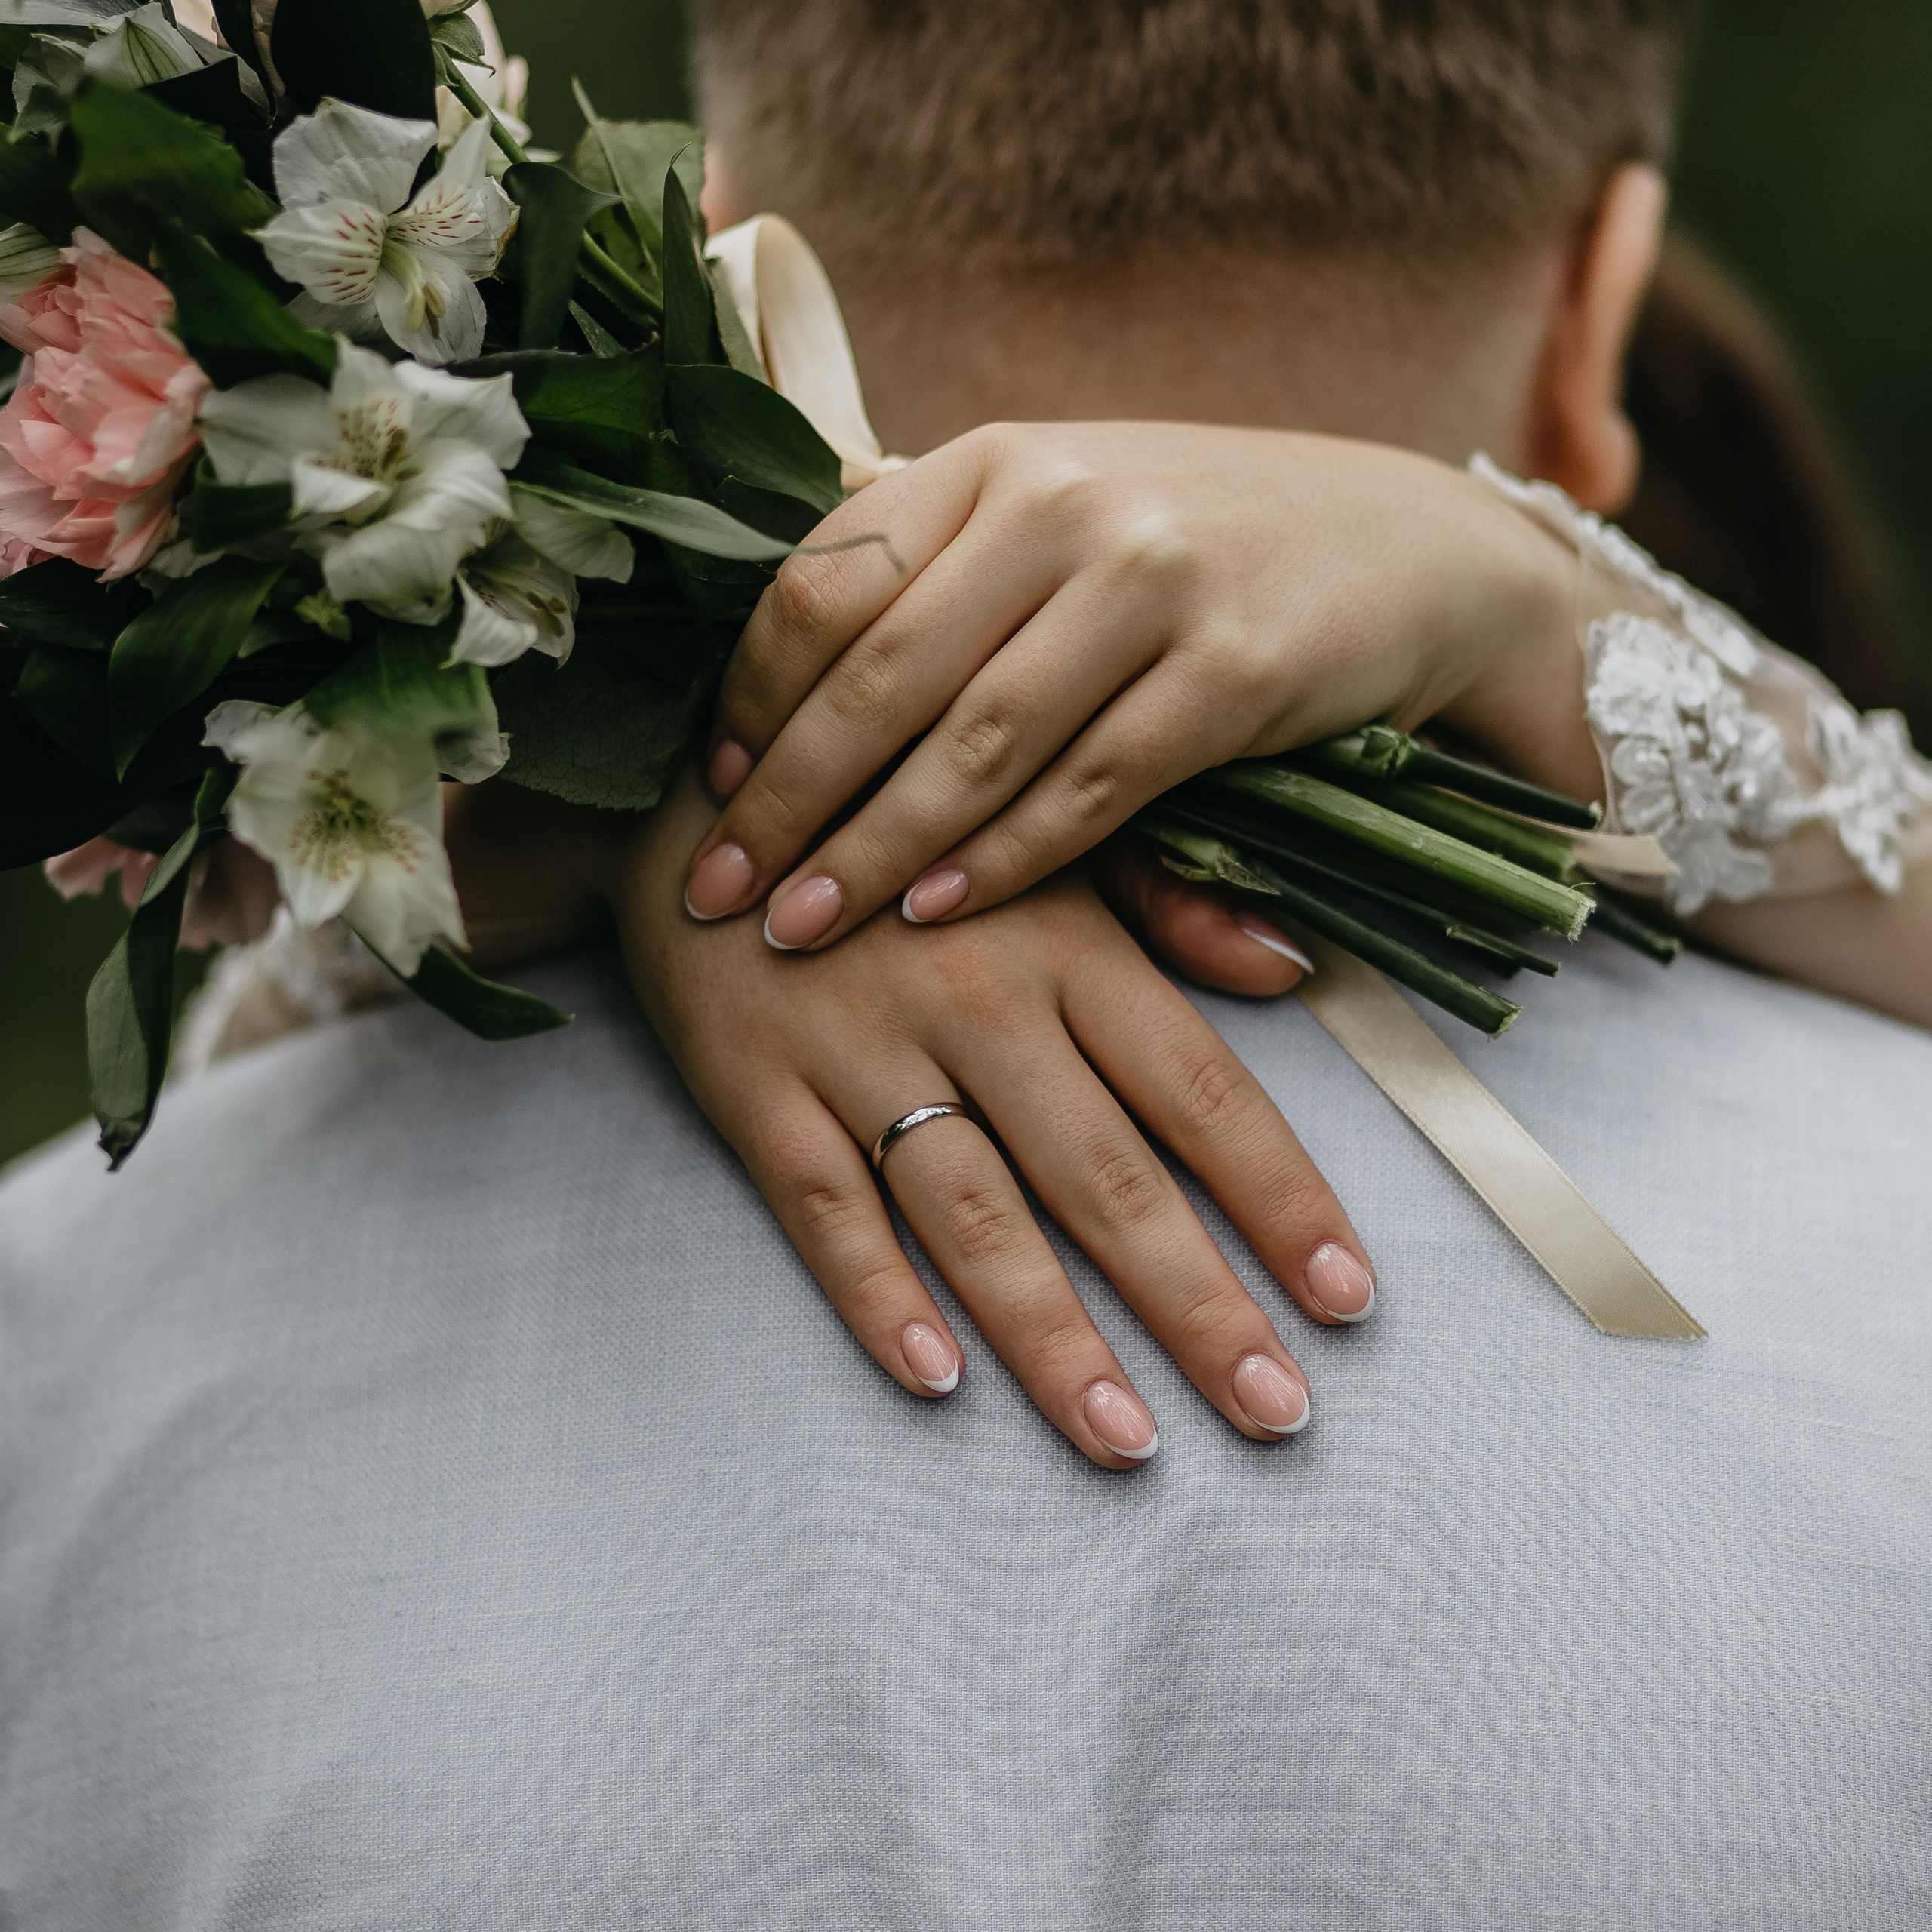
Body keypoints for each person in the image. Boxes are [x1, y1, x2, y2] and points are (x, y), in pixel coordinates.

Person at [4, 2, 1931, 1924]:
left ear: (717, 264)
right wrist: (1538, 588)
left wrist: (637, 782)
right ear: (1600, 305)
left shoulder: (61, 1362)